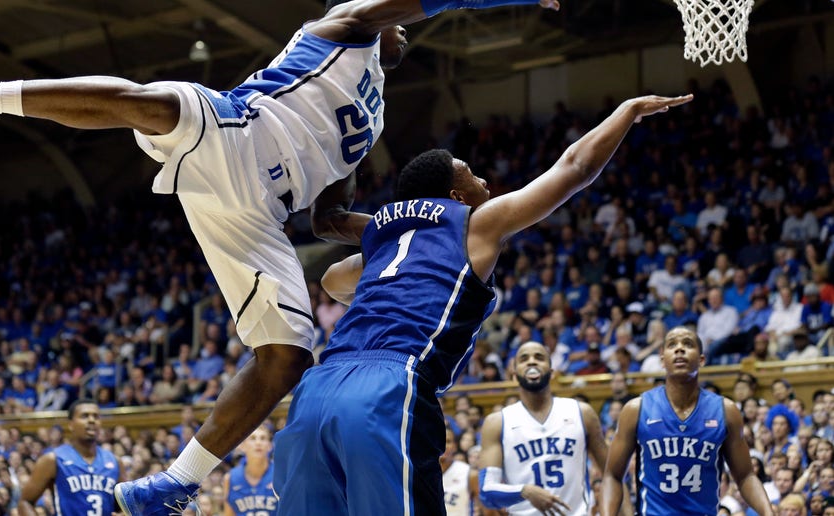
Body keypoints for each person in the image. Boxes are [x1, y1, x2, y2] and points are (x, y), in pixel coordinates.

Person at [0, 0, 561, 512]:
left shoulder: (376, 116)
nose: (404, 31)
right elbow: (411, 5)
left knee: (289, 354)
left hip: (258, 215)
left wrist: (411, 233)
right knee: (158, 105)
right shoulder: (341, 28)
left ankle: (176, 481)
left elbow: (328, 218)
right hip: (237, 135)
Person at [272, 93, 692, 514]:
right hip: (386, 387)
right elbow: (575, 168)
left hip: (316, 388)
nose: (486, 184)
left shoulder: (383, 243)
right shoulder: (475, 224)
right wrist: (627, 112)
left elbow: (332, 280)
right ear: (456, 197)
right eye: (473, 176)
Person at [600, 327, 774, 515]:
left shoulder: (726, 411)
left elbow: (745, 476)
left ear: (701, 360)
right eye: (672, 344)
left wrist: (768, 513)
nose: (679, 349)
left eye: (688, 344)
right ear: (662, 359)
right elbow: (612, 476)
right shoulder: (636, 409)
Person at [478, 341, 632, 515]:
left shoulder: (581, 413)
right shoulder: (497, 422)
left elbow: (612, 475)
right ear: (514, 375)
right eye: (524, 359)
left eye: (539, 357)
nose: (531, 362)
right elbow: (486, 492)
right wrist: (525, 491)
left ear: (552, 372)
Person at [18, 399, 125, 516]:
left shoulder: (115, 461)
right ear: (71, 424)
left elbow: (128, 504)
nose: (91, 420)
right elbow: (25, 502)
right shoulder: (52, 459)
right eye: (85, 416)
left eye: (96, 416)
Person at [221, 426, 278, 516]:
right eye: (253, 438)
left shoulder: (280, 474)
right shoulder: (230, 478)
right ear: (242, 446)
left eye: (263, 438)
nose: (258, 443)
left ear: (270, 446)